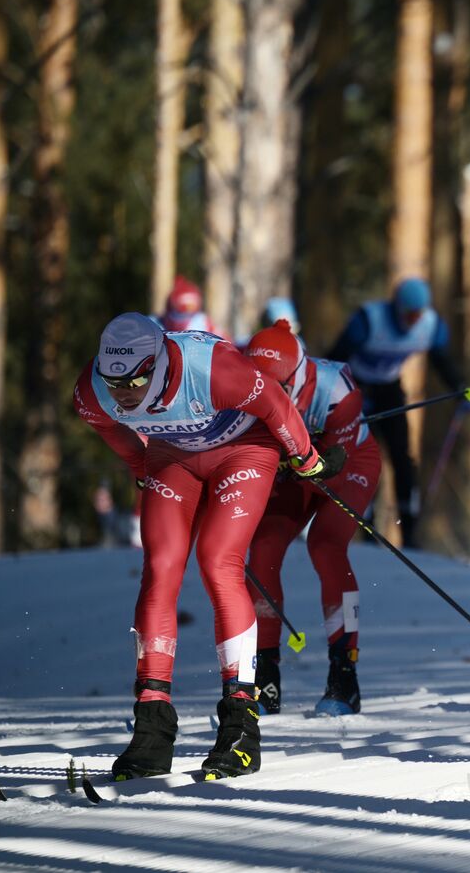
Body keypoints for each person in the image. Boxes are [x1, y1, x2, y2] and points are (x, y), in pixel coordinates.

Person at [73, 314, 343, 780]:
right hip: (172, 454)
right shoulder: (93, 390)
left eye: (135, 379)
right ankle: (152, 728)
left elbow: (275, 402)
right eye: (113, 380)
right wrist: (141, 461)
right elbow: (106, 425)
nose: (123, 392)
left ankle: (240, 724)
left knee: (219, 562)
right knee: (160, 567)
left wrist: (306, 457)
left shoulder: (212, 368)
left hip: (244, 448)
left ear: (156, 363)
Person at [243, 319, 382, 716]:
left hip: (347, 463)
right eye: (259, 386)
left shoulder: (338, 392)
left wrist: (282, 463)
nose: (266, 396)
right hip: (297, 466)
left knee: (325, 544)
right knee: (263, 548)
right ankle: (264, 681)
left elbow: (329, 467)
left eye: (278, 388)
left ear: (298, 377)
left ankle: (344, 677)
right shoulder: (245, 388)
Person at [327, 278, 462, 547]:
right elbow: (335, 357)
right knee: (366, 458)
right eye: (408, 314)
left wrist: (460, 388)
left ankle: (408, 530)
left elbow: (441, 360)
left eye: (418, 314)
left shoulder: (430, 326)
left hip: (389, 388)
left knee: (402, 457)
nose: (413, 320)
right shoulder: (368, 320)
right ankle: (369, 526)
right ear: (396, 308)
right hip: (358, 387)